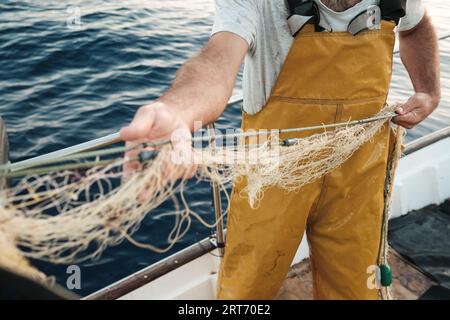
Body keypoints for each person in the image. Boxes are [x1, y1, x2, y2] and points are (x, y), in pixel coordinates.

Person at [120, 0, 441, 299]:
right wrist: (178, 111)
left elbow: (414, 26)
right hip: (272, 169)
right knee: (248, 283)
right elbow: (217, 58)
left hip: (361, 165)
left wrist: (428, 91)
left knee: (357, 283)